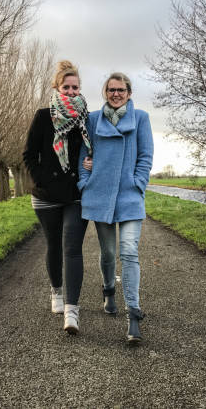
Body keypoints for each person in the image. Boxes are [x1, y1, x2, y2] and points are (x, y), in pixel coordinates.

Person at [78, 72, 153, 343]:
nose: (116, 94)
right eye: (111, 90)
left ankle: (133, 312)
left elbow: (146, 155)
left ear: (129, 93)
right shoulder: (93, 119)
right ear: (105, 92)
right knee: (108, 252)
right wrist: (84, 181)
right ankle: (108, 290)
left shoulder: (141, 118)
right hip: (100, 195)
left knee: (129, 251)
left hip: (130, 196)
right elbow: (83, 155)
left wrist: (138, 183)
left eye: (121, 90)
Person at [23, 60, 92, 335]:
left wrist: (91, 163)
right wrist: (43, 179)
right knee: (53, 244)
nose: (72, 91)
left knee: (72, 248)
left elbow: (92, 150)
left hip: (76, 195)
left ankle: (72, 312)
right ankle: (56, 292)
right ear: (57, 88)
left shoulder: (86, 118)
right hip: (46, 195)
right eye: (67, 87)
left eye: (76, 87)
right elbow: (29, 156)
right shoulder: (43, 116)